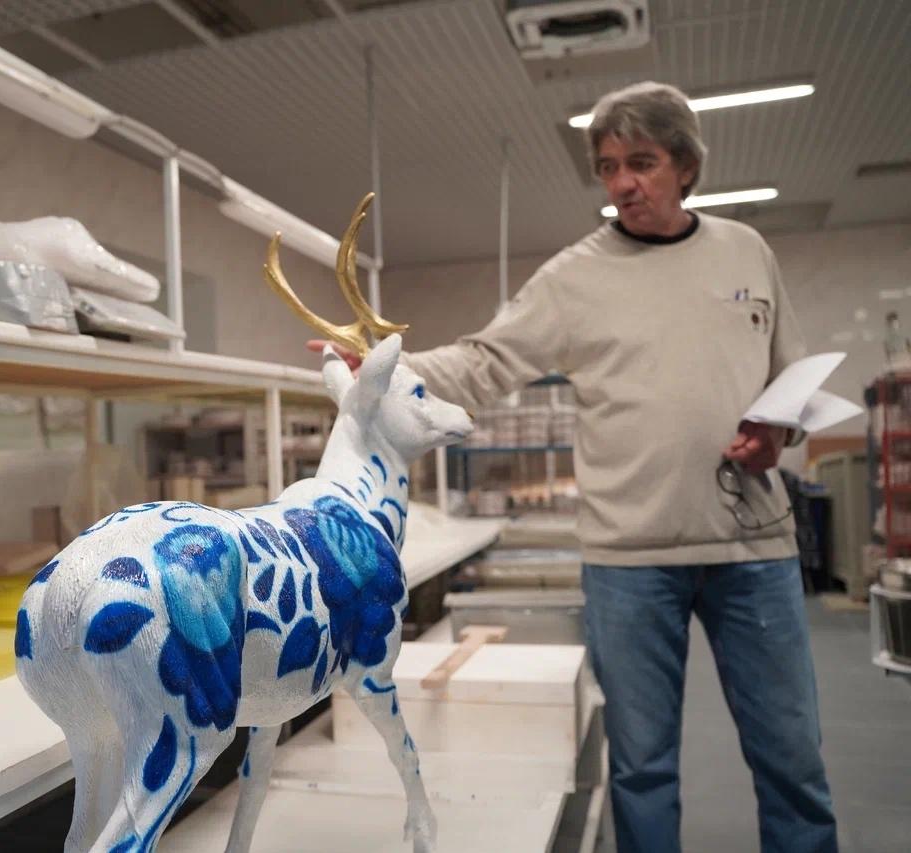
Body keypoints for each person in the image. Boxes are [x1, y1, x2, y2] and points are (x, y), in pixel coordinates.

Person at [313, 81, 838, 853]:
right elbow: (486, 361)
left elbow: (791, 377)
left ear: (686, 166)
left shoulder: (746, 252)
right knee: (642, 769)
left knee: (792, 759)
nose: (623, 183)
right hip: (629, 560)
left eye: (642, 163)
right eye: (608, 167)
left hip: (752, 547)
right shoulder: (574, 276)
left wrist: (778, 434)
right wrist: (385, 367)